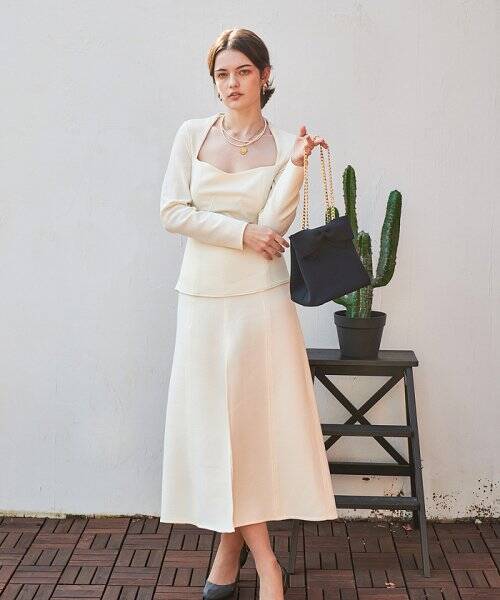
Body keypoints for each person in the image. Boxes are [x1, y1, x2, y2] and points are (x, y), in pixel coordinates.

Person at [159, 27, 338, 600]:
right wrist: (240, 233)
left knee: (254, 429)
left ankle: (230, 550)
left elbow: (275, 226)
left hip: (261, 300)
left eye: (242, 72)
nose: (231, 83)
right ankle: (264, 562)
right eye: (221, 74)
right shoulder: (192, 134)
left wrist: (298, 166)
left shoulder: (286, 143)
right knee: (215, 428)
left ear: (264, 75)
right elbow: (172, 211)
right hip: (202, 299)